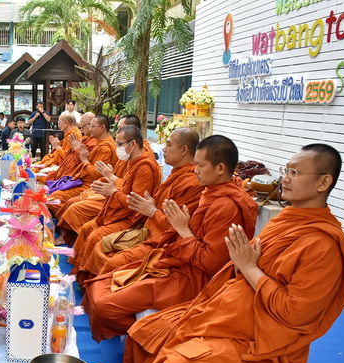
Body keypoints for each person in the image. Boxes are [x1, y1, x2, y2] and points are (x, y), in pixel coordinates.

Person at [123, 143, 344, 363]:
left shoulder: (324, 246)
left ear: (323, 182)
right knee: (147, 331)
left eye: (294, 172)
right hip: (234, 310)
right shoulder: (287, 220)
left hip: (266, 344)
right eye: (286, 170)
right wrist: (242, 266)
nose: (284, 178)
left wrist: (247, 267)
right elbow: (240, 266)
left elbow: (292, 312)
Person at [83, 134, 259, 341]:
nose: (195, 170)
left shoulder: (226, 206)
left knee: (105, 304)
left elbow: (210, 262)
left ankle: (148, 332)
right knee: (101, 283)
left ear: (220, 168)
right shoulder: (210, 192)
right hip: (174, 257)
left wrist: (182, 230)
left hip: (192, 278)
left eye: (200, 165)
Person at [89, 128, 205, 274]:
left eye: (168, 145)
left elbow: (174, 224)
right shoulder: (176, 173)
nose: (164, 149)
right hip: (149, 228)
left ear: (184, 150)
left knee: (107, 254)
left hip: (161, 240)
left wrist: (151, 210)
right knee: (98, 241)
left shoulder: (190, 182)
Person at [68, 125, 164, 284]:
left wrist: (112, 191)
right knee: (88, 227)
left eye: (120, 144)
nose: (117, 147)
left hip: (132, 219)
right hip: (117, 209)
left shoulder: (145, 167)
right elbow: (121, 182)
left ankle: (86, 279)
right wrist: (105, 182)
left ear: (132, 144)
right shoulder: (130, 161)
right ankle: (77, 270)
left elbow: (136, 203)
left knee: (95, 235)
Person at [54, 114, 147, 243]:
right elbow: (109, 175)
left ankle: (69, 237)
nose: (88, 129)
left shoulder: (140, 162)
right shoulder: (124, 154)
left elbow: (132, 194)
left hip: (120, 204)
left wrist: (84, 160)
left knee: (73, 207)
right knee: (69, 202)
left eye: (91, 126)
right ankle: (67, 235)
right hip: (106, 191)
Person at [46, 114, 117, 210]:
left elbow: (96, 174)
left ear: (102, 127)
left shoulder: (105, 147)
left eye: (92, 126)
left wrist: (82, 156)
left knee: (57, 199)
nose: (90, 129)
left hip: (91, 184)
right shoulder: (95, 141)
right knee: (52, 191)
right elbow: (70, 157)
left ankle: (63, 219)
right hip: (80, 178)